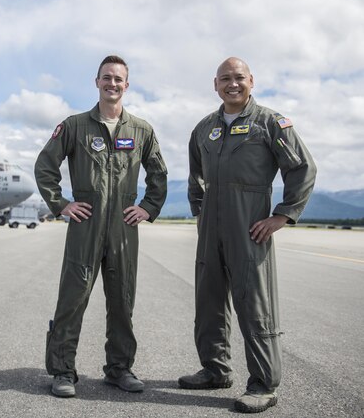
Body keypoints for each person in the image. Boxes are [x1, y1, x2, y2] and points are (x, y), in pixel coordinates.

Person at [180, 57, 316, 413]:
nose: (232, 84)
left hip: (249, 224)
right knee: (208, 301)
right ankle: (214, 369)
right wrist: (199, 212)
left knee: (254, 303)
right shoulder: (204, 128)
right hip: (211, 224)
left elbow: (302, 168)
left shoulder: (270, 123)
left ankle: (263, 384)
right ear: (215, 84)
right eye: (225, 78)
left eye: (239, 77)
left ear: (251, 81)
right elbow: (195, 177)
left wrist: (283, 215)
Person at [34, 55, 168, 398]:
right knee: (73, 299)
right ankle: (63, 371)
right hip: (86, 226)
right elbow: (45, 166)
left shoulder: (142, 130)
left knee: (122, 300)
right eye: (106, 77)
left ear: (126, 85)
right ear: (97, 82)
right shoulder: (75, 126)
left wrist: (148, 208)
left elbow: (159, 176)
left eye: (118, 79)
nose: (112, 83)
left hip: (124, 228)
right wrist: (62, 204)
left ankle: (119, 369)